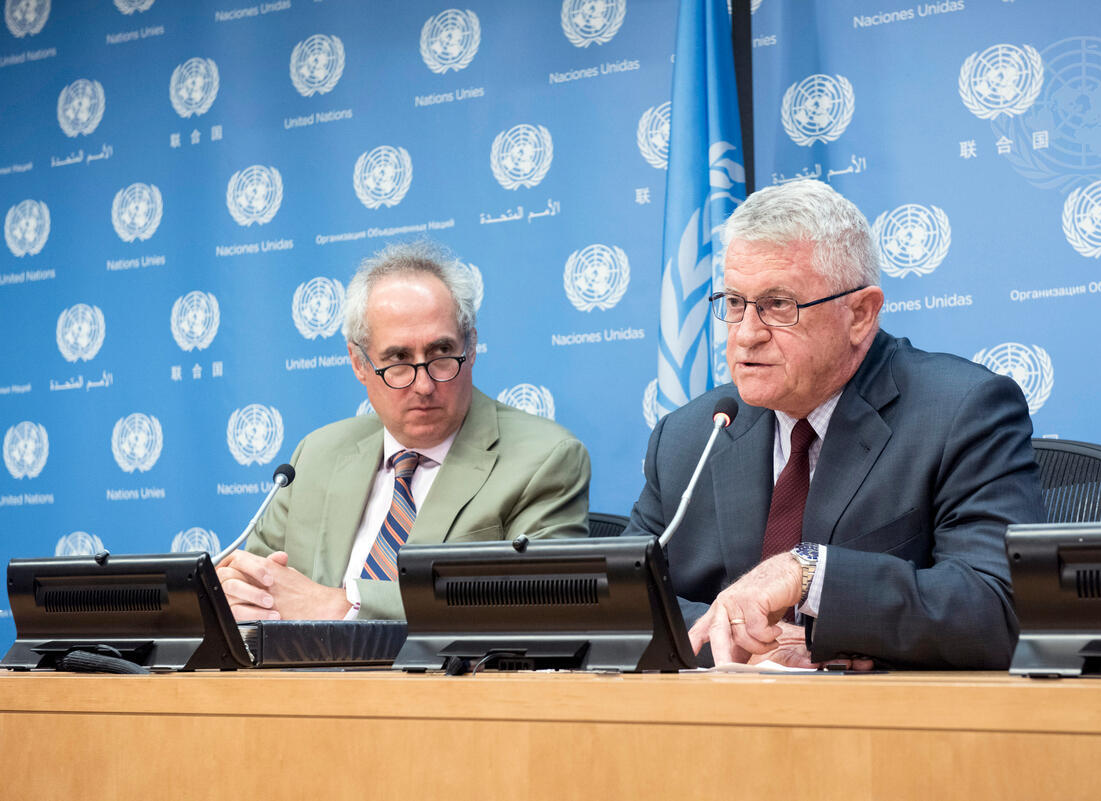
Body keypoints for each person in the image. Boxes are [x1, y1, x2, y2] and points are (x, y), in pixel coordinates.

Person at [626, 180, 1043, 670]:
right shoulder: (690, 435)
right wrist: (741, 638)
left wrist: (809, 574)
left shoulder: (961, 412)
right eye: (735, 303)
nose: (746, 335)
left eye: (778, 305)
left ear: (860, 314)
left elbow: (997, 606)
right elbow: (623, 601)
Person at [218, 241, 591, 621]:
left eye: (441, 353)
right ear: (358, 363)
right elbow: (256, 588)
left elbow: (538, 601)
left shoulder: (544, 459)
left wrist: (342, 606)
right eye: (398, 359)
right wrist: (236, 593)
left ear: (472, 347)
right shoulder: (316, 455)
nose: (424, 385)